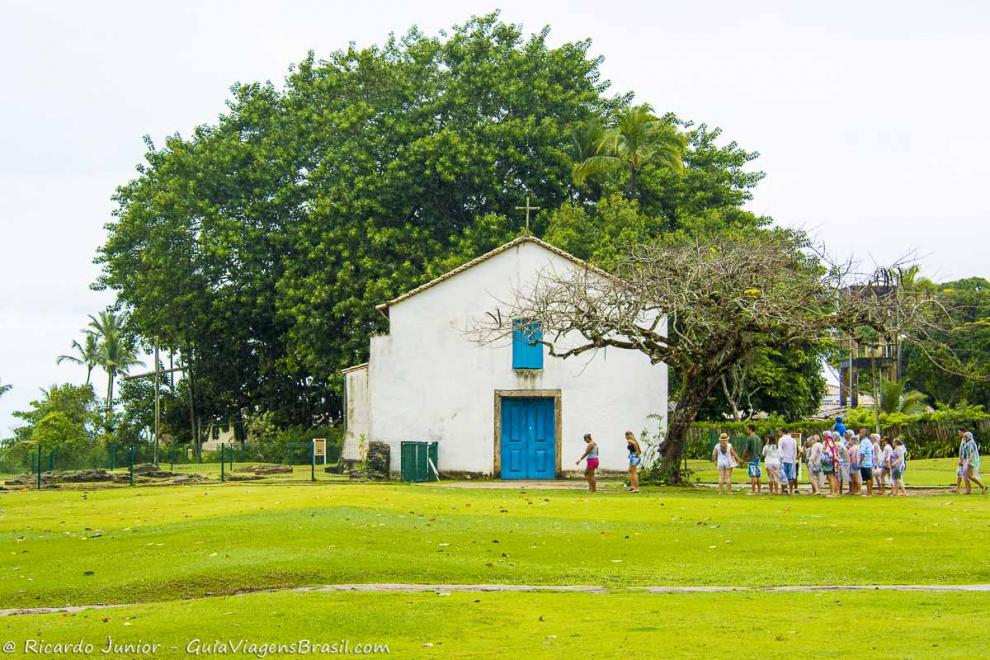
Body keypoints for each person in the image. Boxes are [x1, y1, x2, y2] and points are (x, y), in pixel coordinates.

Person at [741, 424, 763, 495]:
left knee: (753, 475)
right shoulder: (758, 438)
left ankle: (753, 491)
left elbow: (746, 449)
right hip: (758, 458)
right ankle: (759, 491)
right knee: (758, 475)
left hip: (752, 458)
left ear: (750, 429)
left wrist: (743, 458)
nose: (747, 430)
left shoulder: (749, 438)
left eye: (747, 429)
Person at [778, 429, 798, 495]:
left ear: (782, 432)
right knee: (790, 476)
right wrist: (794, 459)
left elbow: (780, 450)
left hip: (783, 459)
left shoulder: (781, 439)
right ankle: (791, 490)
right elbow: (795, 450)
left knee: (783, 475)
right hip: (791, 460)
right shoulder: (793, 440)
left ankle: (784, 490)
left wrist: (779, 458)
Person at [955, 429, 970, 494]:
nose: (959, 433)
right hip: (962, 459)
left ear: (963, 432)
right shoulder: (963, 439)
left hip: (965, 460)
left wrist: (962, 460)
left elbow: (965, 451)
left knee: (966, 475)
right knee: (959, 473)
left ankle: (968, 489)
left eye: (959, 432)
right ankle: (957, 488)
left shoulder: (966, 440)